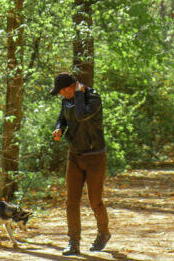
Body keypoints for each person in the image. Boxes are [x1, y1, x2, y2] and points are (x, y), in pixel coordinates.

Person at [50, 71, 110, 255]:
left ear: (70, 87)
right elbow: (63, 118)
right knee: (71, 201)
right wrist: (59, 128)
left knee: (95, 201)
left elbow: (82, 115)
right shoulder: (66, 99)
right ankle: (73, 242)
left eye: (62, 91)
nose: (61, 94)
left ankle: (103, 233)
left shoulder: (93, 97)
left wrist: (78, 93)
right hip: (74, 155)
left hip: (94, 156)